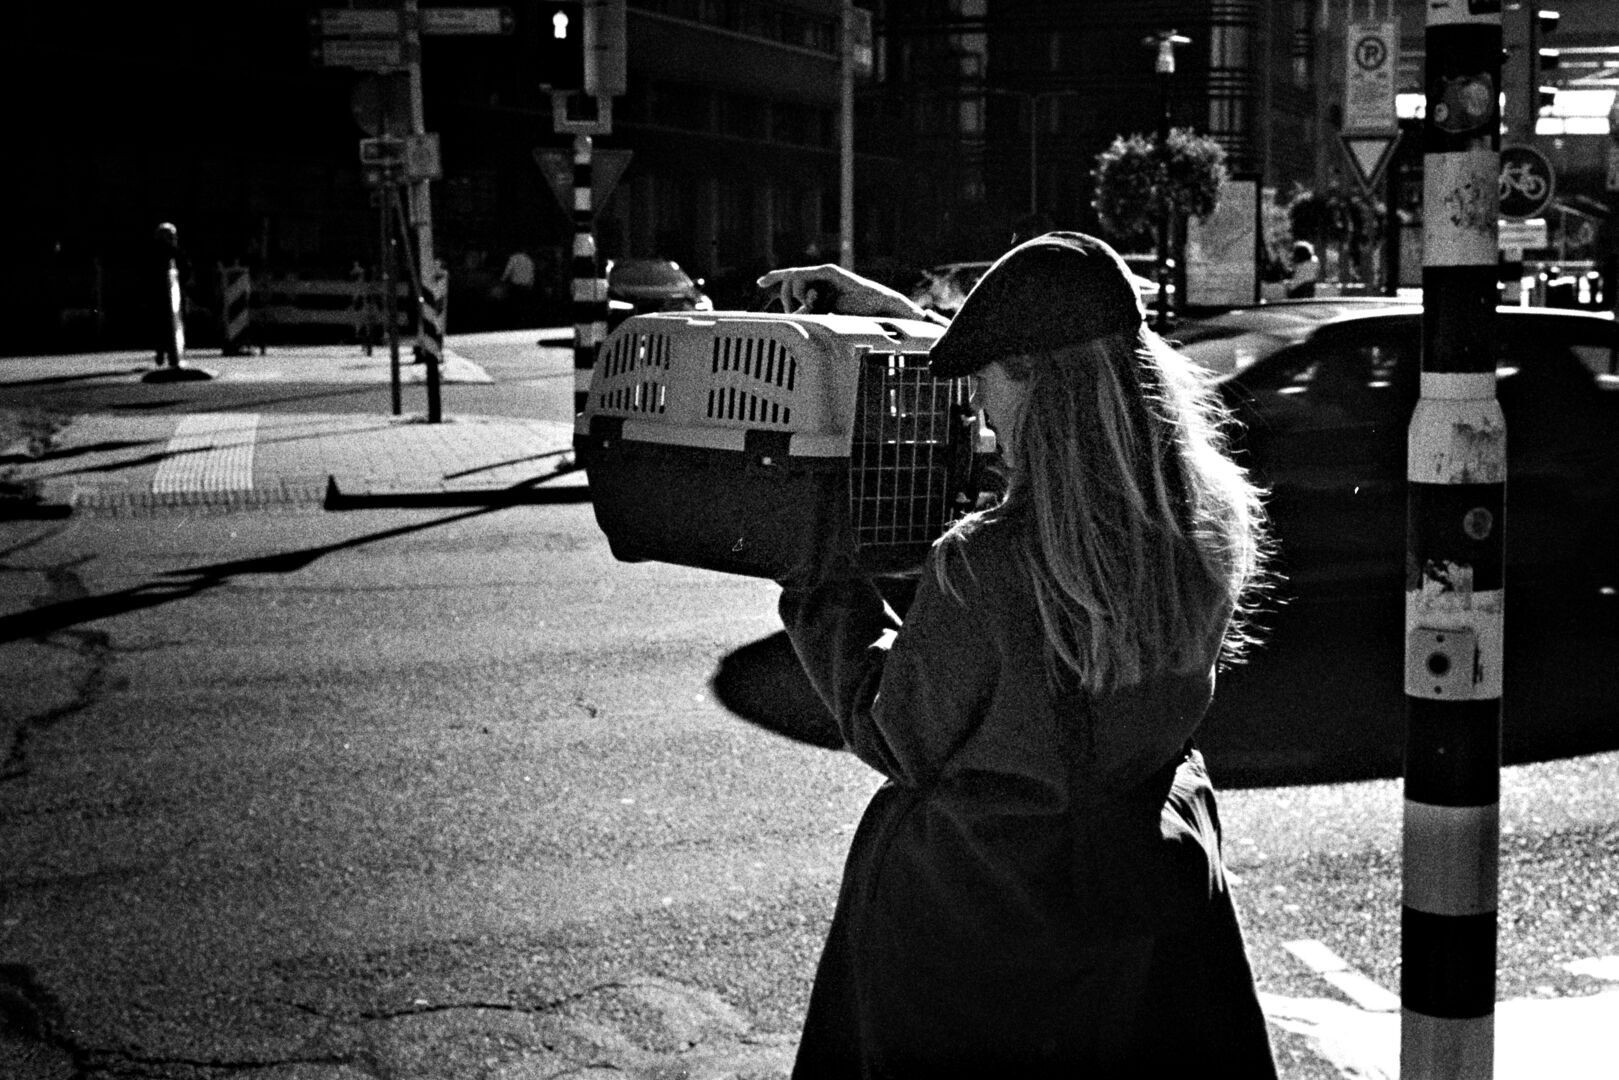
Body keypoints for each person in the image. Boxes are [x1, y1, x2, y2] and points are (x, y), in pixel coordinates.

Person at [756, 232, 1278, 1076]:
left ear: (1032, 377)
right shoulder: (1207, 524)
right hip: (1130, 911)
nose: (977, 403)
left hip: (979, 930)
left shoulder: (987, 565)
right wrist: (899, 319)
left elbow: (897, 734)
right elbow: (1059, 342)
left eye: (987, 375)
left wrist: (816, 583)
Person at [151, 222, 191, 366]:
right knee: (175, 322)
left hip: (161, 295)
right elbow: (186, 270)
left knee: (161, 324)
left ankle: (163, 352)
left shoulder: (153, 254)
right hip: (173, 294)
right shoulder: (175, 252)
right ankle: (174, 353)